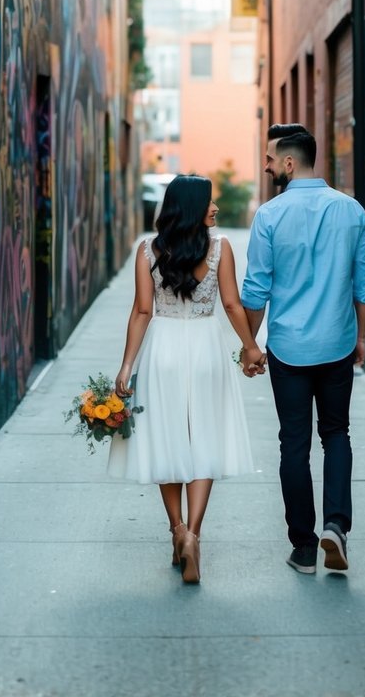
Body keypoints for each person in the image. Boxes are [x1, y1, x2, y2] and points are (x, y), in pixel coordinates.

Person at [109, 174, 267, 584]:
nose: (215, 208)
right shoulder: (220, 249)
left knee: (167, 438)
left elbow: (142, 311)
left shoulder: (148, 249)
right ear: (194, 207)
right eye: (210, 203)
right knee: (204, 441)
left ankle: (177, 530)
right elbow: (232, 304)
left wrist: (127, 365)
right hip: (205, 351)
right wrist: (250, 345)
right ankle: (195, 535)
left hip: (162, 351)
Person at [241, 124, 365, 575]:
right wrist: (360, 337)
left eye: (268, 158)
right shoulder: (351, 210)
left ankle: (303, 547)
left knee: (293, 446)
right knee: (337, 434)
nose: (265, 165)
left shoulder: (269, 216)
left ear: (288, 162)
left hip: (290, 349)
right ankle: (336, 525)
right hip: (337, 344)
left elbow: (256, 290)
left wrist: (249, 345)